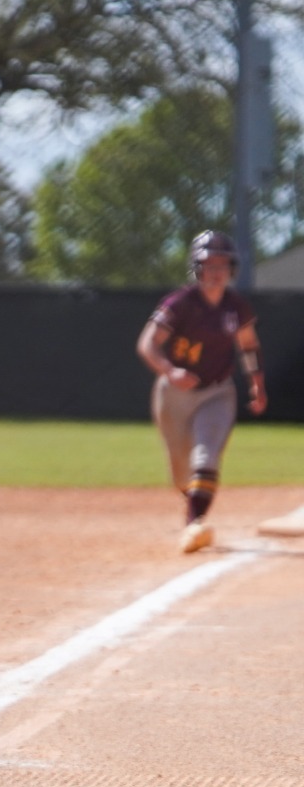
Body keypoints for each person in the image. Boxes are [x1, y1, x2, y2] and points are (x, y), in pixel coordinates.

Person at [137, 230, 267, 553]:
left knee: (206, 455)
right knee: (182, 471)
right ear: (197, 268)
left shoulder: (236, 306)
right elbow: (148, 343)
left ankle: (194, 524)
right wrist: (170, 370)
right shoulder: (180, 304)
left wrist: (257, 382)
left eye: (222, 265)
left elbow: (249, 345)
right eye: (209, 265)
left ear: (232, 269)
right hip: (174, 394)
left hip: (217, 391)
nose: (216, 272)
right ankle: (192, 503)